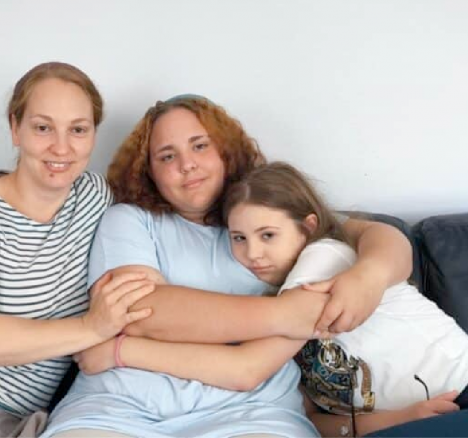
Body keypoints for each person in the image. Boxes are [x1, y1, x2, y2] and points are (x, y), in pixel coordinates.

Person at [42, 94, 412, 438]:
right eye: (167, 156)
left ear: (226, 151)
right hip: (116, 407)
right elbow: (139, 312)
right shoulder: (129, 220)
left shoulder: (270, 215)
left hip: (254, 414)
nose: (187, 164)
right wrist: (285, 314)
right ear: (148, 171)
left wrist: (369, 276)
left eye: (200, 146)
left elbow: (381, 235)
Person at [0, 62, 155, 438]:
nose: (61, 147)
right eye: (43, 127)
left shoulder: (95, 195)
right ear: (15, 128)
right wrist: (91, 327)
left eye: (78, 130)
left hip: (38, 414)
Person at [221, 161, 467, 437]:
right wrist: (400, 418)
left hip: (458, 390)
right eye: (239, 238)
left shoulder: (324, 256)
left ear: (308, 227)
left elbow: (249, 366)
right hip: (410, 419)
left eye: (268, 235)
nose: (252, 254)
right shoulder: (277, 306)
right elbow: (312, 419)